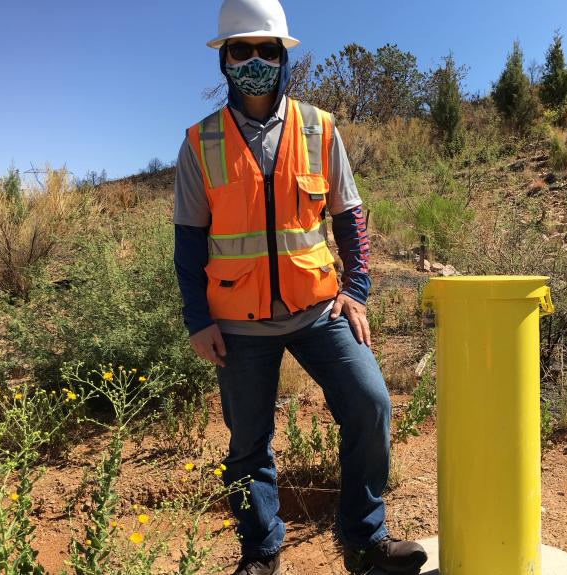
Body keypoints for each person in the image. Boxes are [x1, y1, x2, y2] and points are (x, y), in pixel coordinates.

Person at [173, 1, 428, 573]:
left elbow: (350, 217)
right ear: (225, 60)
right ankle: (261, 553)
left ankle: (364, 541)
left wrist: (357, 291)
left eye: (269, 49)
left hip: (318, 310)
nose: (256, 61)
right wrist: (198, 318)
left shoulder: (320, 127)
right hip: (237, 324)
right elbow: (188, 242)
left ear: (285, 54)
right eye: (243, 50)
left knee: (370, 404)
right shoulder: (200, 143)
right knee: (247, 445)